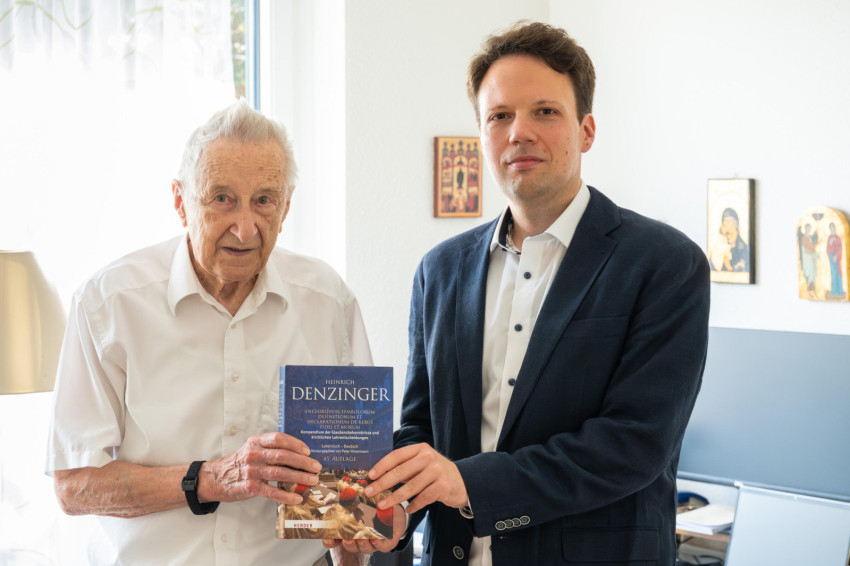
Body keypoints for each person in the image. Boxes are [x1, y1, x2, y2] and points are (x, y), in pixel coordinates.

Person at [364, 21, 710, 566]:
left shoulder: (664, 264)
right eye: (499, 116)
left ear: (586, 130)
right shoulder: (439, 270)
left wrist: (469, 483)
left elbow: (634, 444)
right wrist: (394, 511)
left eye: (545, 111)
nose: (519, 132)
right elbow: (421, 429)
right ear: (482, 135)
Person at [45, 101, 402, 566]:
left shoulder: (328, 299)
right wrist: (212, 478)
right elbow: (74, 485)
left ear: (286, 207)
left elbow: (348, 489)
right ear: (180, 202)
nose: (245, 228)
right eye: (222, 199)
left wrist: (367, 526)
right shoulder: (108, 303)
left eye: (264, 200)